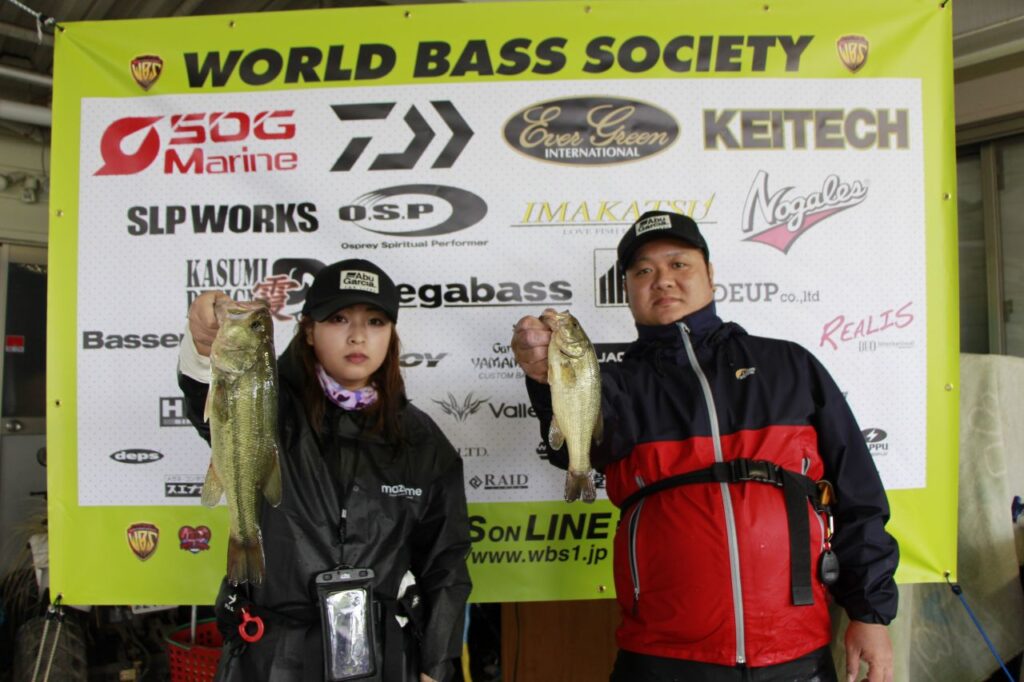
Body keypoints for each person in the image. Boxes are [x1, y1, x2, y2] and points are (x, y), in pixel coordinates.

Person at [511, 211, 899, 682]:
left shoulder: (790, 365)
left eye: (679, 264)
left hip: (795, 650)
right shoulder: (616, 385)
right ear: (627, 290)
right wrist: (546, 377)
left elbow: (858, 494)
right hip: (661, 655)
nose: (662, 280)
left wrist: (870, 613)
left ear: (710, 275)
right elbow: (579, 448)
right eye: (643, 271)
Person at [178, 258, 472, 682]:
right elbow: (206, 395)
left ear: (391, 335)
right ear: (309, 330)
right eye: (338, 318)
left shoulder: (424, 441)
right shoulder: (267, 405)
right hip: (271, 658)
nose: (358, 335)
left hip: (383, 658)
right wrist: (203, 344)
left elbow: (446, 562)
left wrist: (436, 665)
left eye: (375, 321)